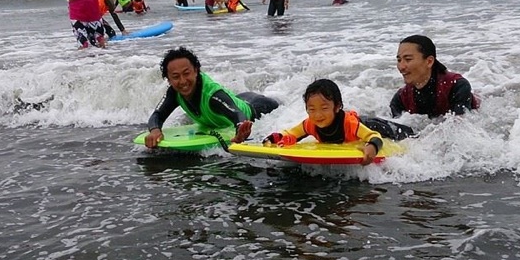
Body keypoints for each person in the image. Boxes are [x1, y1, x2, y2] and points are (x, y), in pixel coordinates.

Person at [144, 46, 279, 147]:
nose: (183, 81)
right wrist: (155, 130)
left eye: (186, 73)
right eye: (175, 76)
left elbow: (237, 115)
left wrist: (240, 131)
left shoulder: (212, 96)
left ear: (196, 71)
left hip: (261, 108)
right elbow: (157, 115)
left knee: (285, 106)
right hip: (239, 99)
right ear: (168, 79)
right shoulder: (174, 93)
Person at [262, 79, 411, 167]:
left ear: (338, 106)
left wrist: (372, 147)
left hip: (371, 125)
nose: (317, 115)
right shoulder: (310, 123)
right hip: (354, 134)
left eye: (324, 108)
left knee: (407, 133)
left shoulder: (349, 123)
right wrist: (273, 138)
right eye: (311, 109)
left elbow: (374, 136)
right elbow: (291, 133)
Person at [390, 34, 480, 118]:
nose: (401, 67)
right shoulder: (401, 98)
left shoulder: (457, 86)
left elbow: (461, 127)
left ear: (429, 61)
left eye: (408, 59)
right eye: (399, 60)